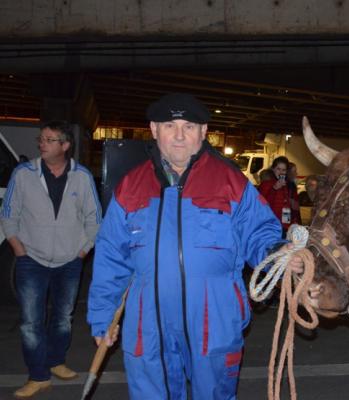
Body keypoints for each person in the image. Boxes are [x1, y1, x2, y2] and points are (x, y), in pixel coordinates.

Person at [87, 93, 304, 400]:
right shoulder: (130, 186)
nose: (178, 135)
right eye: (169, 125)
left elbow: (260, 233)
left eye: (188, 126)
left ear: (203, 132)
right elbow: (111, 256)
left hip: (213, 317)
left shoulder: (231, 182)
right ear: (153, 129)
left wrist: (276, 255)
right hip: (148, 321)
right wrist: (102, 315)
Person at [0, 120, 102, 399]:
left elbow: (94, 218)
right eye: (41, 139)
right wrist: (19, 248)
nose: (41, 143)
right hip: (31, 258)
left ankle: (56, 361)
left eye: (48, 139)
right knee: (31, 322)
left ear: (65, 145)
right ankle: (38, 375)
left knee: (62, 319)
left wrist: (82, 251)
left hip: (70, 261)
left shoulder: (81, 176)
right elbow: (9, 213)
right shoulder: (24, 174)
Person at [258, 156, 301, 236]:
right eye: (278, 169)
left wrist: (291, 222)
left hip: (284, 225)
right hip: (270, 225)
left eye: (283, 170)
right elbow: (262, 205)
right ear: (273, 169)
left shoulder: (286, 185)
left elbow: (286, 205)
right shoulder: (265, 184)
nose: (281, 172)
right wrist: (274, 188)